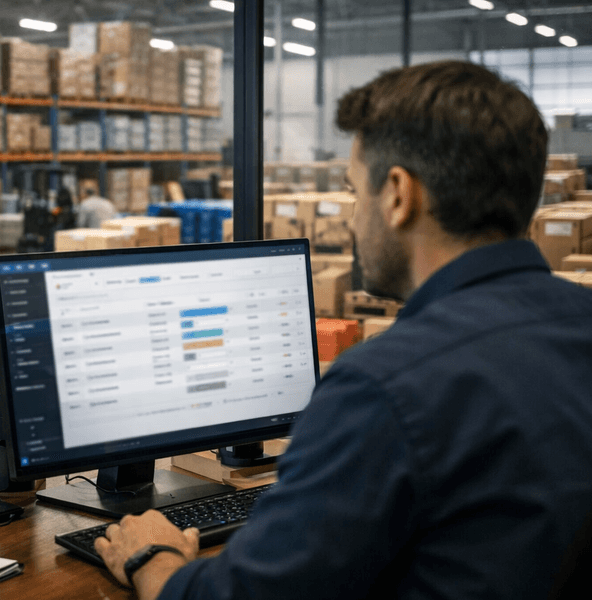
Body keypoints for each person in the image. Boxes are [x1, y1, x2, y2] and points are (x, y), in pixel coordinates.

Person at [94, 61, 592, 599]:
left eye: (355, 193)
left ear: (399, 195)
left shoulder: (387, 385)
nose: (353, 221)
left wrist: (153, 557)